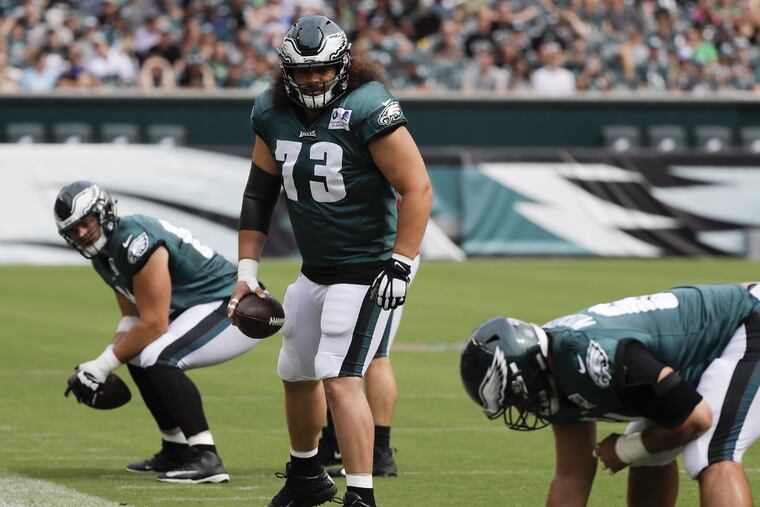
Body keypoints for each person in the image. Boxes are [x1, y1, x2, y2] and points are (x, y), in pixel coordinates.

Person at [228, 14, 432, 507]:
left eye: (323, 68)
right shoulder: (271, 111)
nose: (314, 78)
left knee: (339, 375)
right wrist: (246, 273)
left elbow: (417, 186)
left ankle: (360, 495)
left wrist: (402, 261)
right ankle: (306, 475)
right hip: (316, 266)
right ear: (286, 71)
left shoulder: (368, 107)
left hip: (369, 265)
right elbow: (259, 192)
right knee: (295, 372)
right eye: (303, 71)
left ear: (342, 65)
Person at [460, 282, 760, 507]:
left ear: (531, 369)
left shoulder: (592, 356)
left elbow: (696, 418)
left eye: (516, 395)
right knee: (650, 454)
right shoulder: (551, 368)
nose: (522, 405)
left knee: (711, 452)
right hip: (701, 351)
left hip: (748, 320)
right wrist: (636, 448)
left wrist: (625, 449)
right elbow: (571, 477)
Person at [57, 180, 263, 484]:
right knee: (138, 355)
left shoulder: (134, 241)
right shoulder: (105, 255)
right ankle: (176, 449)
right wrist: (97, 365)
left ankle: (206, 456)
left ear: (103, 213)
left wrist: (102, 366)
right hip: (199, 307)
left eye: (85, 223)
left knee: (158, 355)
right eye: (73, 230)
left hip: (232, 304)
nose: (82, 234)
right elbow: (132, 319)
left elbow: (154, 323)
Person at [318, 254, 421, 478]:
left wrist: (399, 263)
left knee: (375, 355)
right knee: (334, 351)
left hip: (386, 259)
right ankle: (336, 441)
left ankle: (379, 452)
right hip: (356, 257)